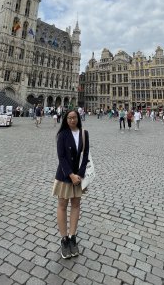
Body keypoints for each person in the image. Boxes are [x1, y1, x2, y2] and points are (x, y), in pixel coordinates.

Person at [52, 110, 89, 259]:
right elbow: (61, 157)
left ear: (78, 118)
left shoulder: (84, 134)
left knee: (75, 205)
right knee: (62, 205)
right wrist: (70, 174)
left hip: (78, 176)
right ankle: (64, 239)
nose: (72, 120)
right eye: (69, 118)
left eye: (74, 118)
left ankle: (73, 236)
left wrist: (79, 174)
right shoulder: (62, 135)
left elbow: (85, 155)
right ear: (66, 119)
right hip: (65, 175)